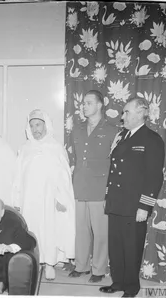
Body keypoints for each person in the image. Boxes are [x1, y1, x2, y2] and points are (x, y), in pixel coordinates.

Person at [100, 97, 165, 297]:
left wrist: (144, 207)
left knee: (132, 248)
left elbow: (155, 177)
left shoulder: (152, 139)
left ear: (141, 112)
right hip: (117, 202)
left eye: (126, 112)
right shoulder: (122, 136)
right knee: (116, 247)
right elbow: (114, 170)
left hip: (135, 205)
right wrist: (108, 197)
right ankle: (118, 282)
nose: (122, 116)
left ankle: (131, 287)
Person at [12, 109, 75, 280]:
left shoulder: (55, 147)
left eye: (38, 124)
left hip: (49, 198)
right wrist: (16, 200)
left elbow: (63, 176)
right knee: (31, 229)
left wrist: (61, 198)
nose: (35, 129)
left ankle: (49, 263)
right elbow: (18, 176)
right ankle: (35, 262)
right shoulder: (24, 148)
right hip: (29, 199)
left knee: (49, 229)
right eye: (32, 126)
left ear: (46, 125)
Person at [69, 90, 118, 283]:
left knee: (100, 232)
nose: (84, 106)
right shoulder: (77, 129)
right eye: (83, 103)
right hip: (79, 185)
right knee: (80, 229)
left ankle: (98, 270)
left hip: (100, 187)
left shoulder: (113, 130)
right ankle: (81, 266)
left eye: (89, 102)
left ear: (100, 105)